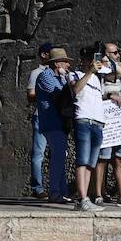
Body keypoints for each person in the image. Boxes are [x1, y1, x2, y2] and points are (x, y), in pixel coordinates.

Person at [70, 45, 121, 211]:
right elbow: (75, 90)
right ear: (85, 60)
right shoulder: (76, 74)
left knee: (90, 163)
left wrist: (110, 94)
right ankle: (82, 198)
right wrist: (90, 71)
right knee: (82, 160)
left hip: (98, 123)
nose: (96, 62)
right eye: (93, 59)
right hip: (83, 120)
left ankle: (85, 198)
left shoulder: (98, 77)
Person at [91, 41, 121, 207]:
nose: (117, 55)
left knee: (119, 158)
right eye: (114, 53)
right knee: (102, 158)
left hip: (119, 121)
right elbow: (94, 91)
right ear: (105, 54)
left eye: (118, 52)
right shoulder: (98, 69)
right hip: (105, 119)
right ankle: (97, 193)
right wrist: (110, 96)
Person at [32, 47, 73, 204]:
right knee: (57, 157)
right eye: (65, 62)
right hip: (51, 122)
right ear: (57, 63)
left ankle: (62, 191)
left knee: (60, 156)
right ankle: (55, 192)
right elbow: (60, 95)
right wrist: (70, 82)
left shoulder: (61, 78)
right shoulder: (45, 76)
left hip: (61, 123)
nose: (68, 65)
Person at [25, 43, 52, 199]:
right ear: (43, 55)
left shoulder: (58, 73)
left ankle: (56, 187)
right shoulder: (36, 73)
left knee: (59, 152)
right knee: (38, 153)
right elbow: (30, 95)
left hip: (55, 116)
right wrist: (46, 91)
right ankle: (37, 188)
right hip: (41, 115)